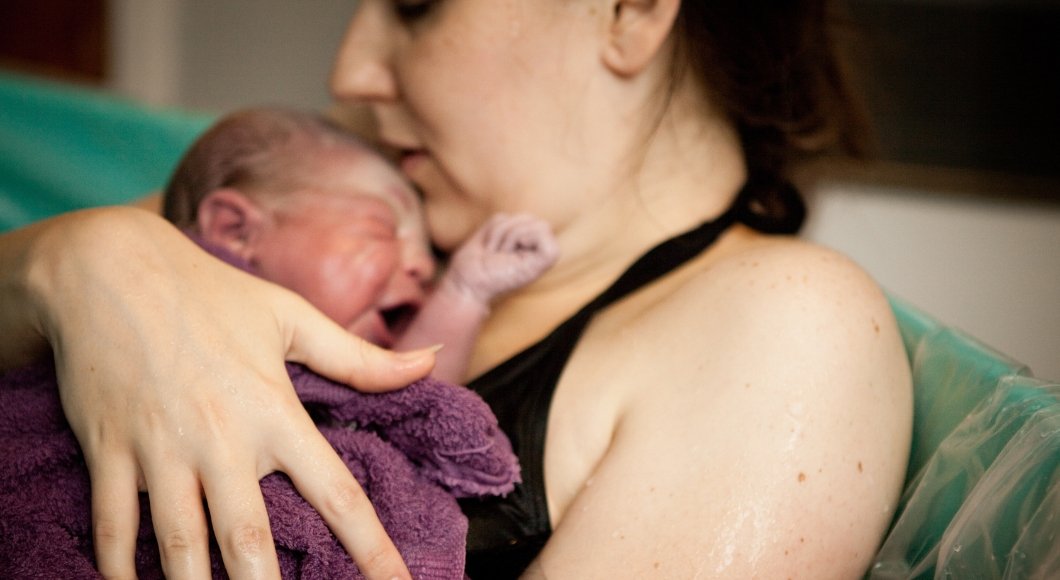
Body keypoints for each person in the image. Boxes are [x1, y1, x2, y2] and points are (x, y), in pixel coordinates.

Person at [0, 1, 914, 578]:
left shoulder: (782, 328)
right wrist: (84, 258)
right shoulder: (347, 175)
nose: (351, 69)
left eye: (415, 5)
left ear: (631, 12)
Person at [161, 106, 558, 383]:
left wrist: (464, 293)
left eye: (428, 255)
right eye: (383, 227)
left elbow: (416, 401)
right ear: (236, 232)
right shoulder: (156, 334)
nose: (423, 267)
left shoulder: (353, 383)